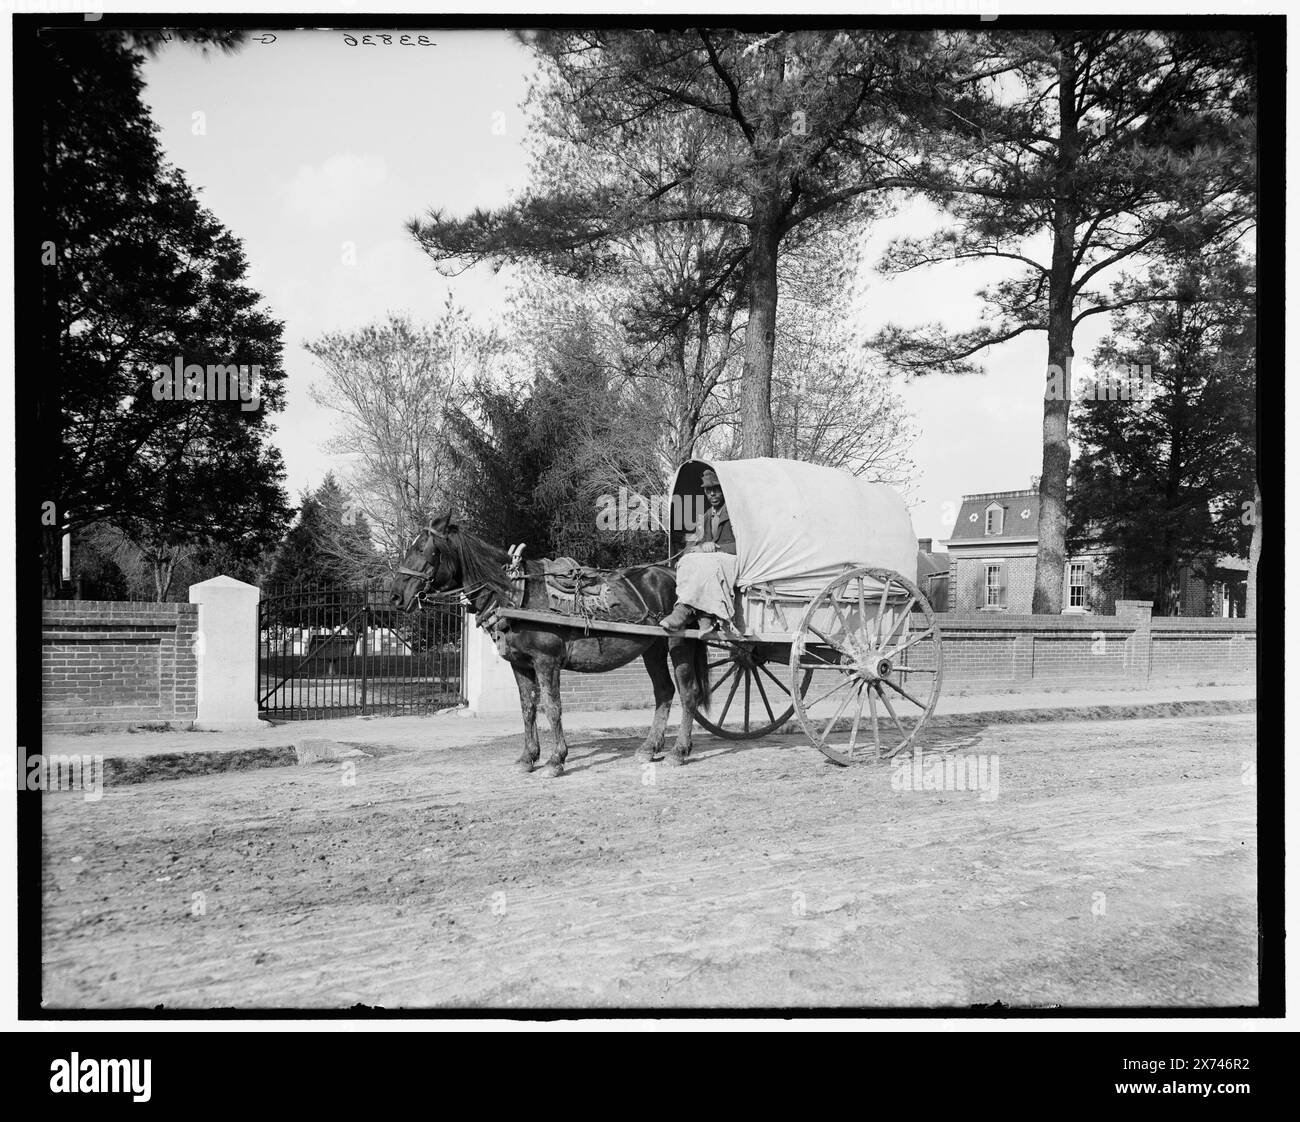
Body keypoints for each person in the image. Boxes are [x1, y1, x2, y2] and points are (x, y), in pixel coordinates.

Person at [660, 469, 738, 632]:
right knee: (687, 560)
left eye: (716, 489)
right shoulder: (705, 517)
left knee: (711, 562)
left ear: (723, 490)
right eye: (708, 490)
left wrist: (717, 547)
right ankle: (693, 612)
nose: (712, 494)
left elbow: (745, 545)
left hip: (733, 562)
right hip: (713, 563)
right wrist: (696, 548)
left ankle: (700, 614)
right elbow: (692, 544)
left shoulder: (735, 514)